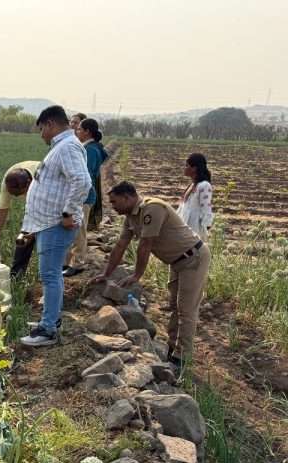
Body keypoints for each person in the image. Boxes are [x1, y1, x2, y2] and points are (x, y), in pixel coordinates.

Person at [92, 181, 211, 368]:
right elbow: (121, 245)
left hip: (193, 259)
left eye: (114, 202)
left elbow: (145, 244)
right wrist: (106, 274)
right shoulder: (130, 217)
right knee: (174, 306)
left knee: (186, 310)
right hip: (177, 262)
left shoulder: (152, 208)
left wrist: (137, 275)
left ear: (127, 197)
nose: (112, 207)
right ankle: (173, 347)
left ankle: (182, 358)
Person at [19, 105, 91, 347]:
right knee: (51, 275)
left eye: (41, 128)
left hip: (55, 223)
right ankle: (52, 318)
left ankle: (48, 330)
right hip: (48, 222)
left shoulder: (68, 146)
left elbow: (82, 180)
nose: (40, 134)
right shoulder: (62, 146)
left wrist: (68, 212)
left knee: (50, 275)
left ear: (50, 124)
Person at [64, 118, 109, 276]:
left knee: (79, 231)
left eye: (79, 129)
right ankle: (67, 262)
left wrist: (76, 196)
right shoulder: (90, 148)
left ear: (87, 132)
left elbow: (85, 176)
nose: (77, 131)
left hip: (83, 196)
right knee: (74, 230)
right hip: (81, 196)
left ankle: (78, 263)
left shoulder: (90, 150)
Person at [0, 161, 40, 278]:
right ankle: (17, 276)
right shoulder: (8, 181)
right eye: (14, 195)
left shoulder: (42, 177)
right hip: (32, 203)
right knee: (24, 238)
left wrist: (36, 231)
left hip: (52, 201)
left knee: (47, 239)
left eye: (20, 193)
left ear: (29, 184)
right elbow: (2, 210)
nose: (17, 197)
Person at [177, 153, 214, 242]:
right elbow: (183, 208)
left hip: (195, 230)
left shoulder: (204, 186)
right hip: (185, 228)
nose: (184, 168)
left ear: (194, 168)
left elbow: (206, 209)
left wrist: (205, 230)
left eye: (187, 165)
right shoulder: (192, 185)